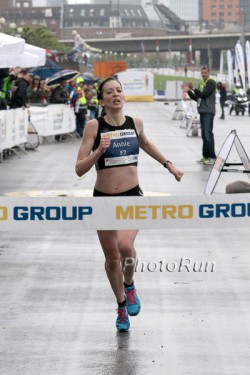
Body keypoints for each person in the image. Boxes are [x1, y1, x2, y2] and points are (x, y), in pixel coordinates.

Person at [75, 77, 183, 332]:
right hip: (103, 200)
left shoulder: (135, 123)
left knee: (125, 245)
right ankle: (121, 304)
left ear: (124, 96)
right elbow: (79, 169)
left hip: (132, 196)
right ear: (102, 101)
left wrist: (170, 166)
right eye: (110, 92)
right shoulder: (94, 126)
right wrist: (98, 152)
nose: (116, 94)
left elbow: (145, 144)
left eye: (119, 90)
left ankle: (130, 284)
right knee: (112, 259)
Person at [187, 66, 217, 165]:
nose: (203, 74)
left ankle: (212, 157)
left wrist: (193, 88)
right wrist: (188, 91)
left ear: (209, 73)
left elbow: (204, 94)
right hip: (203, 111)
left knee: (208, 134)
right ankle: (206, 156)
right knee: (204, 135)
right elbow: (198, 98)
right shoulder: (202, 84)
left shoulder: (211, 83)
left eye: (205, 73)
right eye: (202, 73)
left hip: (208, 111)